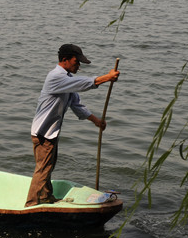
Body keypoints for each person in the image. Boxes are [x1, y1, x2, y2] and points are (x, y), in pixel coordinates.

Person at [26, 44, 120, 207]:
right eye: (76, 62)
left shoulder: (67, 81)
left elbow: (76, 105)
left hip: (50, 132)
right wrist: (107, 77)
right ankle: (31, 204)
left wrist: (96, 121)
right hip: (43, 133)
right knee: (43, 170)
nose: (78, 66)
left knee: (48, 167)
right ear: (65, 60)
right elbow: (83, 83)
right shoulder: (56, 77)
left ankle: (47, 196)